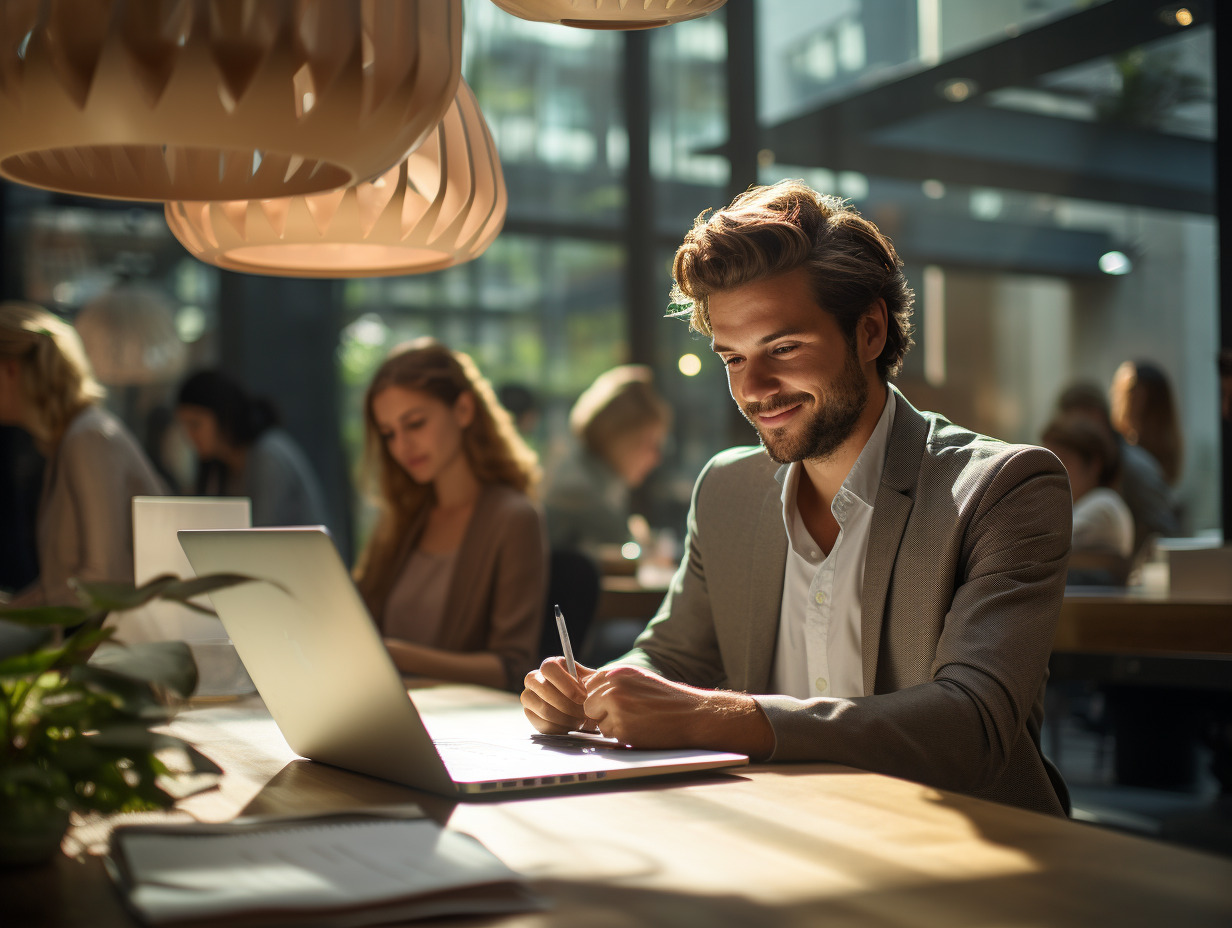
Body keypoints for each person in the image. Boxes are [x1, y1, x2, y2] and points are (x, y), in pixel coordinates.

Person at [521, 180, 1073, 817]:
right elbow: (671, 656)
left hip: (967, 854)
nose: (754, 389)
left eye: (782, 348)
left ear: (869, 332)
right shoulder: (727, 490)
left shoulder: (1003, 488)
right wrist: (595, 689)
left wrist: (723, 717)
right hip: (779, 837)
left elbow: (972, 727)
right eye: (731, 358)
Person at [353, 338, 547, 691]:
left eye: (414, 424)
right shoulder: (401, 518)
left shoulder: (513, 519)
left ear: (463, 410)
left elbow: (512, 667)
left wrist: (392, 655)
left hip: (460, 724)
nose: (402, 446)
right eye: (389, 434)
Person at [0, 302, 167, 607]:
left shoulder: (88, 437)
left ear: (11, 370)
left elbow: (103, 580)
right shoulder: (70, 440)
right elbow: (61, 583)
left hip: (114, 649)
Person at [176, 369, 331, 530]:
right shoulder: (219, 468)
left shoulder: (268, 456)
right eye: (184, 427)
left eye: (195, 424)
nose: (189, 435)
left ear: (224, 414)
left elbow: (260, 536)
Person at [543, 365, 671, 554]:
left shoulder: (585, 476)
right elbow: (625, 544)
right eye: (649, 443)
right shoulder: (577, 489)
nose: (656, 458)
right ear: (617, 436)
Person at [1054, 382, 1178, 557]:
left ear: (1095, 415)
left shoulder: (1134, 468)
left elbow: (1164, 532)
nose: (1069, 432)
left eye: (1073, 423)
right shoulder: (1116, 462)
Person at [1040, 416, 1134, 585]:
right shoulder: (1086, 506)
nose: (1051, 473)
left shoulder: (1104, 505)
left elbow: (1039, 549)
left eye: (1063, 461)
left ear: (1093, 465)